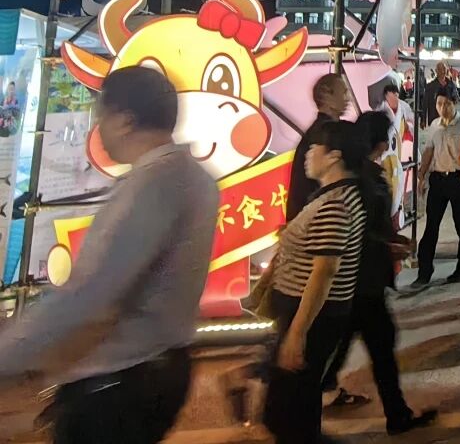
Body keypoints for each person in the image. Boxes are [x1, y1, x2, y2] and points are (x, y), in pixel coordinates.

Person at [0, 67, 217, 443]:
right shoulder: (198, 179)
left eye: (100, 117)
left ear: (125, 122)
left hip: (120, 384)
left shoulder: (150, 186)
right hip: (165, 367)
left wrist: (10, 356)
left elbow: (93, 296)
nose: (97, 129)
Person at [322, 113, 435, 435]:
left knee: (357, 347)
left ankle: (396, 414)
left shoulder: (357, 177)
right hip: (362, 281)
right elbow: (361, 231)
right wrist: (389, 245)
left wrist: (392, 241)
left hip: (356, 282)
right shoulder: (365, 181)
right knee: (375, 346)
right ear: (381, 142)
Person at [262, 118, 369, 443]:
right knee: (296, 407)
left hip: (311, 317)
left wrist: (297, 334)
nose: (307, 155)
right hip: (311, 314)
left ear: (334, 156)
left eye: (314, 148)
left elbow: (324, 271)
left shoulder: (335, 204)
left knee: (287, 413)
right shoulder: (334, 196)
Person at [411, 92, 460, 288]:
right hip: (438, 179)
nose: (442, 108)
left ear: (455, 103)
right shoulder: (434, 125)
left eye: (446, 103)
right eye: (439, 104)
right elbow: (428, 150)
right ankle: (424, 272)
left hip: (457, 178)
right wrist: (421, 175)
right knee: (431, 226)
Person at [287, 72, 351, 221]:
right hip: (315, 218)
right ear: (327, 96)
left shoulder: (320, 131)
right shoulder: (324, 134)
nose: (347, 98)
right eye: (343, 92)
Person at [377, 83, 412, 224]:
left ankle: (396, 213)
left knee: (398, 184)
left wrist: (409, 128)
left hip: (397, 151)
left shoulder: (403, 107)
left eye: (397, 95)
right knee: (386, 183)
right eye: (393, 95)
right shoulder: (380, 109)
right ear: (386, 95)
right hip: (384, 153)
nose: (396, 97)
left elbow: (411, 122)